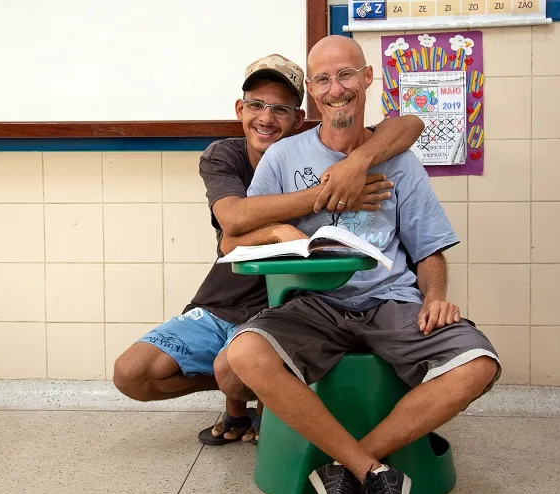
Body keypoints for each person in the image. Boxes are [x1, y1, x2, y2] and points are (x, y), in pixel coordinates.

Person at [220, 37, 501, 494]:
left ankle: (348, 467)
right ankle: (373, 471)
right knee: (244, 355)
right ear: (313, 92)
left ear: (367, 79)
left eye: (345, 75)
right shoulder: (283, 157)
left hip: (391, 300)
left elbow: (430, 248)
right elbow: (234, 233)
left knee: (479, 363)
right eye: (322, 80)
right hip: (314, 304)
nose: (335, 90)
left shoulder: (399, 161)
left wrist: (435, 296)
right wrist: (287, 230)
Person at [112, 53, 425, 446]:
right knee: (132, 373)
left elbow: (410, 123)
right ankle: (258, 394)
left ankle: (257, 398)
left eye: (281, 109)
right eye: (257, 105)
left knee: (241, 364)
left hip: (290, 300)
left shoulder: (317, 150)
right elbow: (234, 223)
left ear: (299, 119)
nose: (266, 118)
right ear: (240, 109)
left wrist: (355, 164)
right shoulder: (225, 155)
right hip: (226, 297)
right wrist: (324, 198)